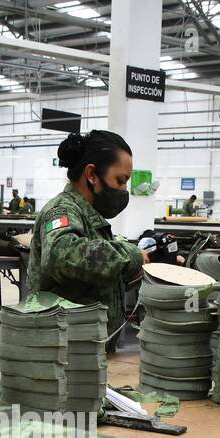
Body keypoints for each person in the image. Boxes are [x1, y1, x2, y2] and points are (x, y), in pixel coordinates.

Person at [26, 130, 148, 328]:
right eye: (120, 180)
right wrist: (131, 256)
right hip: (65, 346)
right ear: (91, 174)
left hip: (89, 342)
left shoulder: (90, 216)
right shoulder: (62, 210)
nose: (124, 189)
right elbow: (62, 255)